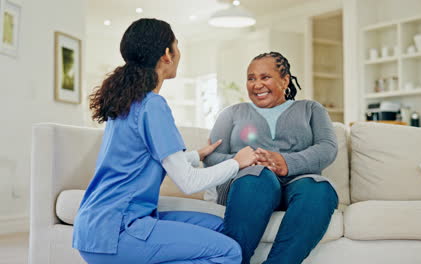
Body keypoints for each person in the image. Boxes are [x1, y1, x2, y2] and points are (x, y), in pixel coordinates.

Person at [72, 18, 257, 264]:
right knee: (228, 251)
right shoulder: (152, 105)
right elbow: (189, 182)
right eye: (177, 45)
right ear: (167, 55)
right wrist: (237, 162)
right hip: (116, 232)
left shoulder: (127, 103)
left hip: (96, 225)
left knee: (219, 227)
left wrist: (194, 156)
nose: (179, 53)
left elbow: (142, 159)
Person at [204, 51, 339, 264]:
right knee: (257, 177)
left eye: (265, 77)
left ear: (285, 80)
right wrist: (241, 161)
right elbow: (211, 157)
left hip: (298, 184)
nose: (257, 84)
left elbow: (328, 147)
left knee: (320, 188)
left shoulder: (310, 109)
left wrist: (287, 163)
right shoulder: (232, 113)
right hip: (247, 185)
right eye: (251, 78)